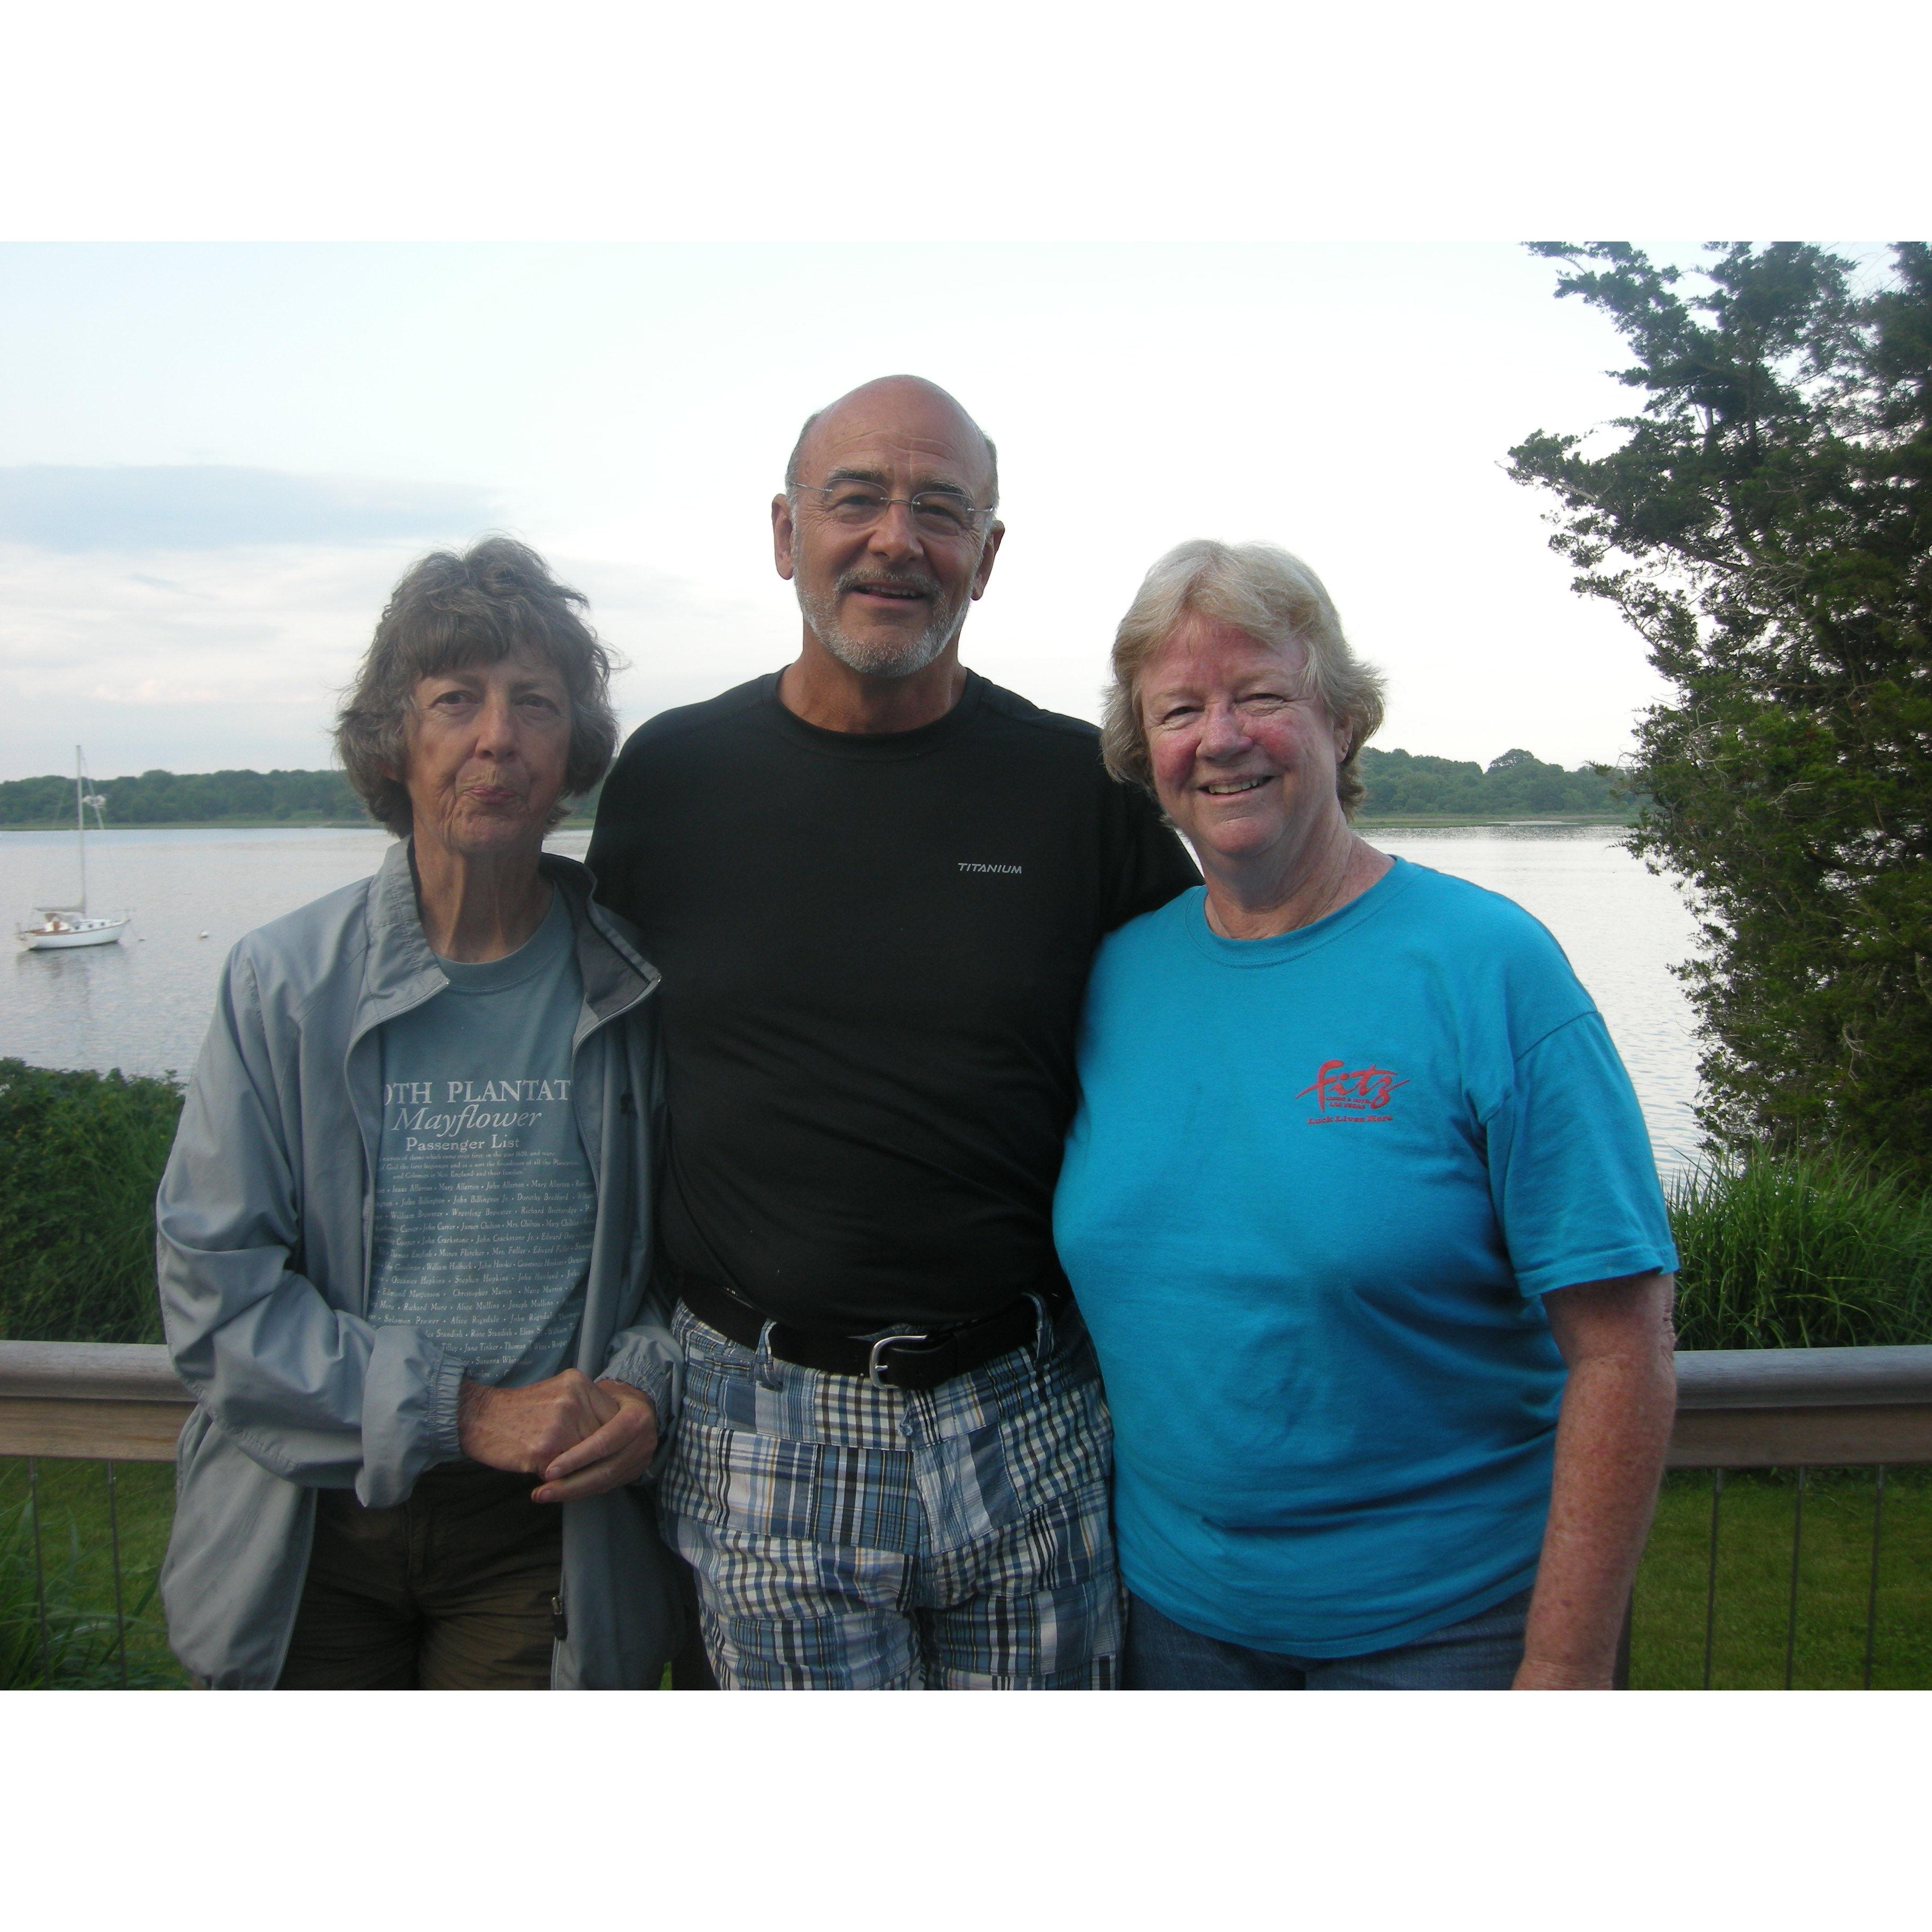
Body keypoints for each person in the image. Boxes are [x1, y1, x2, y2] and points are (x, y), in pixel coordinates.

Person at [587, 376, 1199, 1688]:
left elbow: (1213, 1033)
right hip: (760, 1414)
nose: (895, 539)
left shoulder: (1079, 788)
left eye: (941, 508)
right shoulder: (673, 779)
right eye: (855, 499)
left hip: (1028, 1402)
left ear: (988, 555)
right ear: (782, 533)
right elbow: (583, 1058)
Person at [1052, 539, 1680, 1690]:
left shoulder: (1489, 969)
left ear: (1341, 722)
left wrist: (1566, 1667)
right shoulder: (1114, 980)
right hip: (1170, 1625)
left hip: (1449, 1633)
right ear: (1146, 757)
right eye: (1182, 708)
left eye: (1263, 696)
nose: (1224, 736)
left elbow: (1624, 1345)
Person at [156, 538, 684, 1689]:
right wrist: (459, 1409)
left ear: (573, 752)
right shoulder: (283, 984)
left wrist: (645, 1384)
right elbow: (213, 1288)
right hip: (311, 1520)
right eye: (457, 699)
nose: (497, 736)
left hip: (536, 1535)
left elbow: (686, 1264)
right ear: (398, 743)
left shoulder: (635, 988)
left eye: (535, 703)